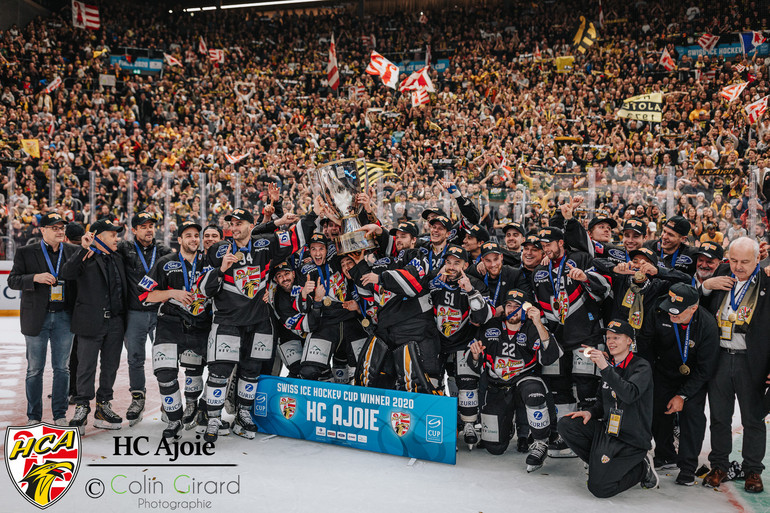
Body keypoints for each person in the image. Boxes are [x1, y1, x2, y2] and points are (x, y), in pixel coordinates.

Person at [200, 206, 316, 442]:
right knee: (220, 371)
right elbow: (203, 289)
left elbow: (296, 237)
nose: (234, 228)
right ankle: (213, 417)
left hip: (258, 321)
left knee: (251, 371)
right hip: (228, 322)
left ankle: (243, 413)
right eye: (232, 224)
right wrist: (221, 270)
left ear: (250, 226)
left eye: (239, 223)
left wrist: (314, 214)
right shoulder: (218, 249)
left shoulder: (265, 244)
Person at [558, 319, 658, 498]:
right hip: (609, 432)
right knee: (567, 424)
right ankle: (601, 465)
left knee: (599, 488)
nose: (611, 341)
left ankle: (643, 468)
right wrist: (589, 412)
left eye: (616, 337)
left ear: (629, 341)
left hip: (631, 439)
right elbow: (601, 402)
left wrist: (604, 367)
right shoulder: (610, 367)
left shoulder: (641, 366)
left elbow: (629, 394)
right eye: (609, 338)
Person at [701, 237, 769, 493]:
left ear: (758, 259)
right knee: (719, 417)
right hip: (719, 357)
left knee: (753, 418)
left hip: (751, 361)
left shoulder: (766, 281)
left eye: (745, 262)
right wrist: (706, 286)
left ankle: (753, 470)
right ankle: (719, 465)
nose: (738, 267)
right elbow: (699, 305)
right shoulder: (721, 273)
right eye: (733, 260)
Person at [467, 289, 560, 471]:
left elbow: (549, 357)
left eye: (517, 306)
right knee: (494, 448)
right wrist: (475, 356)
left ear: (525, 309)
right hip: (498, 386)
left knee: (533, 391)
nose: (512, 309)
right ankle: (507, 423)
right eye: (509, 305)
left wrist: (538, 323)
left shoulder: (532, 327)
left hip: (524, 380)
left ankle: (541, 442)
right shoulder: (491, 326)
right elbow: (475, 363)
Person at [637, 283, 719, 485]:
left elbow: (706, 369)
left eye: (677, 311)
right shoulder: (659, 310)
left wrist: (682, 395)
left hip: (693, 376)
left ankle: (688, 467)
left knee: (692, 416)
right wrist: (647, 376)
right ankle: (665, 455)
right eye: (669, 308)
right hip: (663, 370)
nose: (671, 314)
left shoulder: (707, 325)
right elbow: (645, 343)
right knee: (658, 410)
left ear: (693, 308)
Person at [139, 221, 212, 439]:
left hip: (199, 324)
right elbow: (144, 295)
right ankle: (174, 419)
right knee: (165, 373)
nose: (193, 239)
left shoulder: (207, 262)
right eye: (188, 235)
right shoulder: (165, 262)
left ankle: (196, 408)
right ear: (179, 240)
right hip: (169, 323)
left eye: (196, 235)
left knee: (201, 369)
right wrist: (172, 293)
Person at [60, 219, 128, 432]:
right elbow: (67, 273)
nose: (116, 238)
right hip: (90, 321)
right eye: (112, 235)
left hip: (115, 322)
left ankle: (103, 405)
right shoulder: (85, 255)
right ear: (98, 236)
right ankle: (82, 406)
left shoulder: (118, 258)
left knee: (110, 366)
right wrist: (83, 248)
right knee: (86, 366)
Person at [8, 212, 76, 425]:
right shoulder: (25, 252)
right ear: (42, 230)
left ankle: (60, 414)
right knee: (34, 369)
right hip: (37, 317)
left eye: (62, 227)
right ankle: (34, 416)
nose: (60, 231)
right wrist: (34, 278)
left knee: (62, 368)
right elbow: (13, 280)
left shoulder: (72, 251)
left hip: (64, 318)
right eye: (55, 227)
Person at [429, 244, 492, 446]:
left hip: (464, 342)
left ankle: (469, 424)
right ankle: (440, 424)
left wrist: (470, 291)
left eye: (457, 263)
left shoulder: (476, 284)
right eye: (448, 262)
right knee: (432, 383)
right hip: (437, 343)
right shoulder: (434, 281)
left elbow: (483, 318)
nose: (451, 267)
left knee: (466, 383)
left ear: (465, 265)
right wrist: (432, 283)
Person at [117, 210, 173, 426]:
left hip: (160, 313)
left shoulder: (164, 250)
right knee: (135, 359)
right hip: (135, 313)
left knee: (165, 359)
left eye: (151, 226)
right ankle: (137, 399)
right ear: (134, 230)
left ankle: (169, 401)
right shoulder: (125, 249)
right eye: (143, 226)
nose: (149, 230)